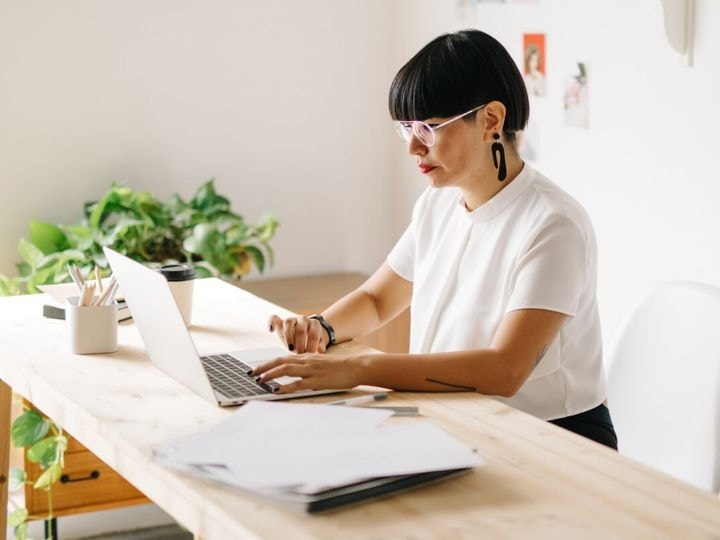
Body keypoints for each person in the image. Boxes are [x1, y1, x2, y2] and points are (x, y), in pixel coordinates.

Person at [252, 29, 617, 450]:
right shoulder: (437, 205)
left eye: (427, 128)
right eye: (405, 128)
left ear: (491, 121)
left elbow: (504, 370)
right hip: (458, 418)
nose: (412, 147)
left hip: (554, 438)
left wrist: (362, 368)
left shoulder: (554, 224)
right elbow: (377, 299)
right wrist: (321, 328)